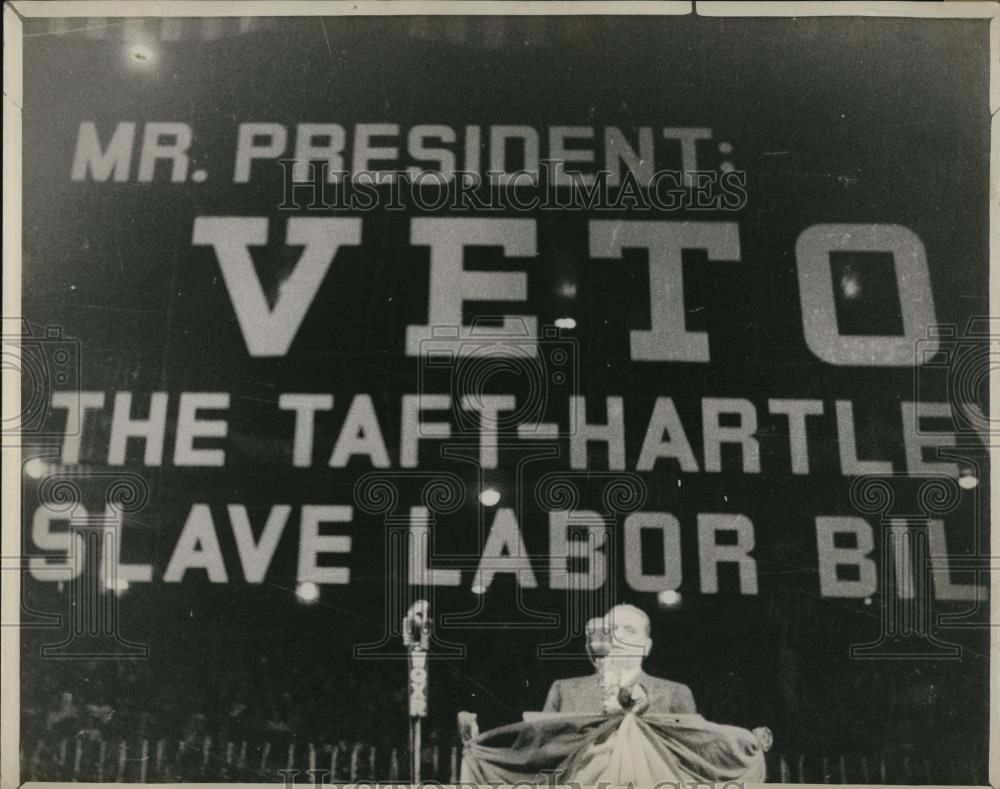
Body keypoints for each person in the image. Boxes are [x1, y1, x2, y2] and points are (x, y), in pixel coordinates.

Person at [542, 604, 696, 715]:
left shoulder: (675, 693)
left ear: (646, 646)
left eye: (630, 630)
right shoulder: (564, 690)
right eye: (612, 629)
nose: (619, 636)